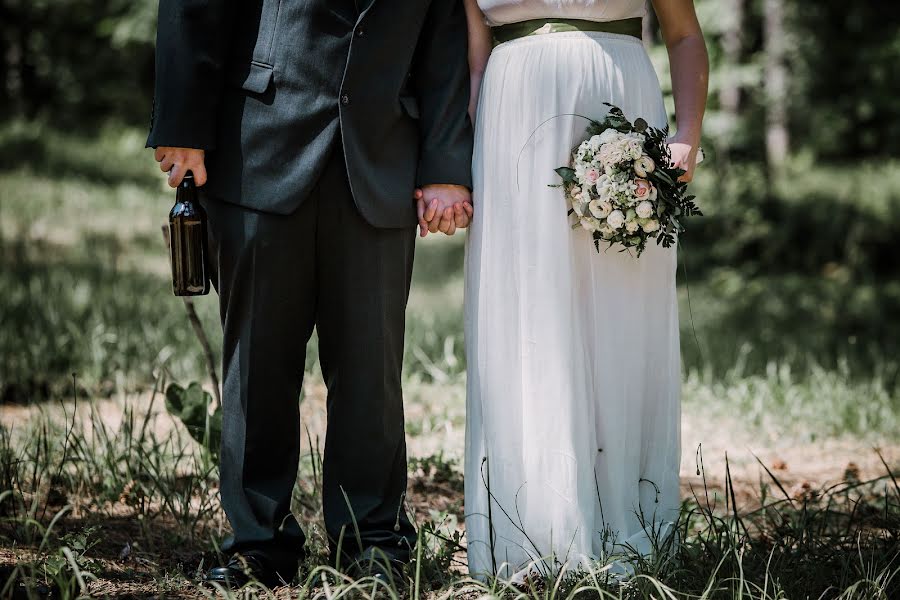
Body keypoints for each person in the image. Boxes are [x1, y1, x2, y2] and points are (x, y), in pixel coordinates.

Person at [147, 0, 474, 588]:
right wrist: (181, 124)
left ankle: (373, 541)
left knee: (372, 368)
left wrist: (446, 162)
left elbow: (446, 32)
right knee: (257, 364)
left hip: (381, 158)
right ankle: (257, 543)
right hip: (258, 145)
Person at [427, 0, 708, 581]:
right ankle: (535, 528)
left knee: (623, 311)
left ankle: (630, 523)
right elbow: (475, 61)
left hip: (623, 105)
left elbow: (683, 34)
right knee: (528, 312)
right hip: (512, 123)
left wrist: (685, 136)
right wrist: (465, 158)